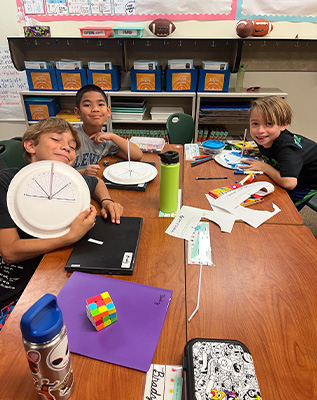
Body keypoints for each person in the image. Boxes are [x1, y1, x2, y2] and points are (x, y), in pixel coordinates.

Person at [0, 117, 123, 329]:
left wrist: (107, 201)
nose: (66, 147)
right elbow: (10, 251)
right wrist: (69, 237)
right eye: (56, 139)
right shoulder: (7, 182)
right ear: (30, 145)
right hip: (18, 288)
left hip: (60, 269)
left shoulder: (70, 181)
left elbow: (96, 182)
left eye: (73, 146)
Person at [242, 96, 317, 210]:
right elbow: (276, 149)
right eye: (255, 124)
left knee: (284, 210)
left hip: (308, 181)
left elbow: (289, 183)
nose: (260, 130)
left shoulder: (287, 150)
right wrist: (260, 152)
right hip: (293, 168)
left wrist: (264, 167)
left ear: (283, 125)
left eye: (269, 123)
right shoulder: (265, 138)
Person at [73, 84, 143, 176]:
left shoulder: (106, 140)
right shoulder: (70, 136)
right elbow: (54, 169)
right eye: (87, 105)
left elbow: (137, 155)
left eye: (100, 104)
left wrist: (112, 136)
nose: (95, 109)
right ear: (78, 113)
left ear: (108, 111)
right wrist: (83, 172)